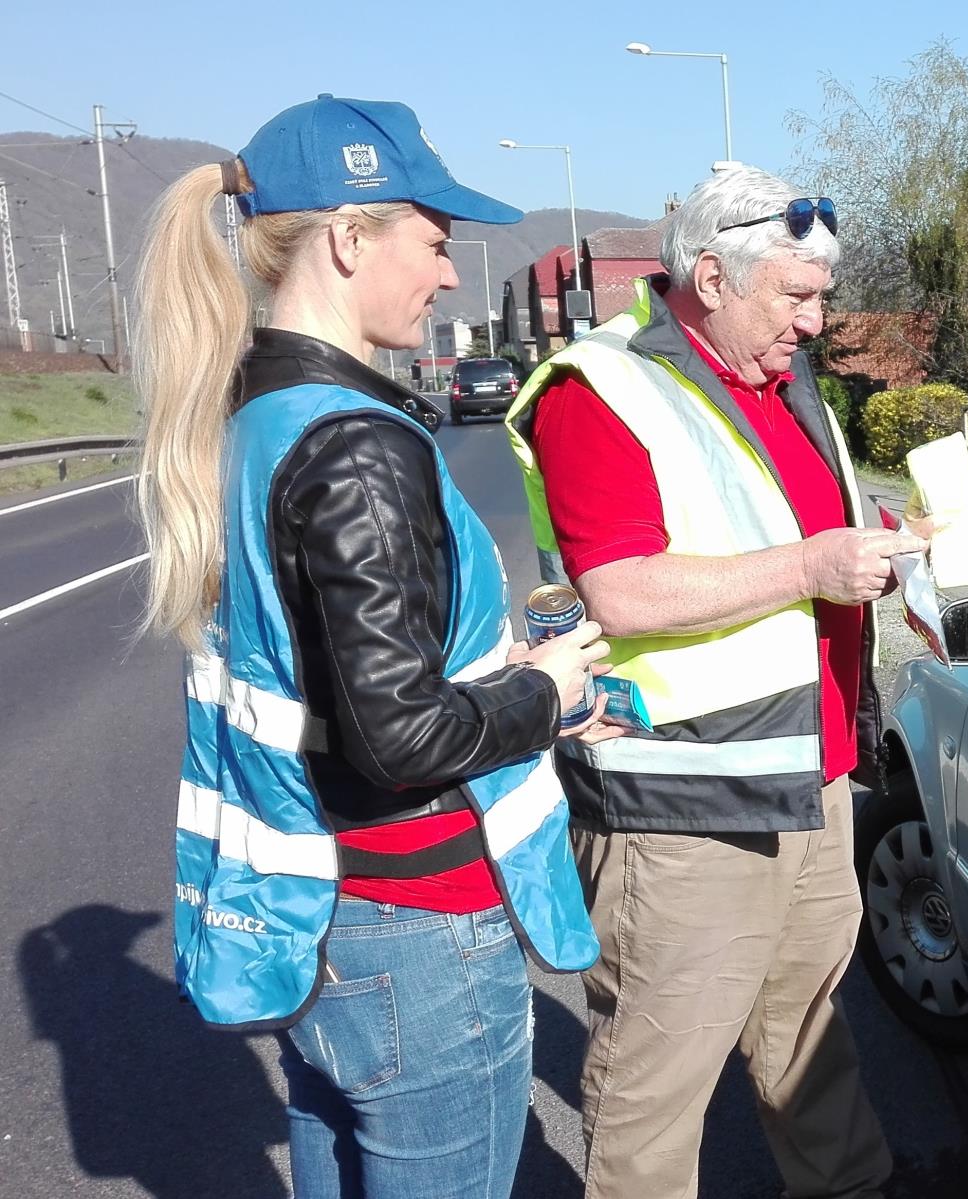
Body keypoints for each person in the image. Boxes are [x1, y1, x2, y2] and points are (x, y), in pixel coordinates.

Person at [134, 94, 617, 1197]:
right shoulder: (357, 444)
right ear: (349, 237)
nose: (449, 274)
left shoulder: (256, 408)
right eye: (436, 243)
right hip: (416, 927)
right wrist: (545, 692)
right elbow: (400, 731)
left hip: (321, 912)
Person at [505, 166, 924, 1199]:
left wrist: (883, 551)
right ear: (709, 277)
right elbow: (622, 589)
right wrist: (810, 567)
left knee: (813, 1049)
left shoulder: (778, 383)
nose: (816, 322)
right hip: (684, 809)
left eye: (819, 295)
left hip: (810, 779)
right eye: (795, 296)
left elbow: (786, 532)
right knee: (656, 1089)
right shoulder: (598, 388)